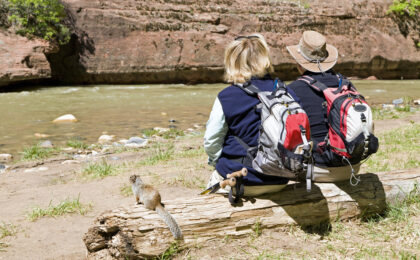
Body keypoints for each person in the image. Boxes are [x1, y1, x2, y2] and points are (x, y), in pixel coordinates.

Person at [203, 34, 288, 196]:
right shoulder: (284, 91)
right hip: (281, 179)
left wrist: (216, 162)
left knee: (212, 184)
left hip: (241, 179)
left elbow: (211, 141)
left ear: (232, 61)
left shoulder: (226, 96)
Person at [286, 30, 362, 181]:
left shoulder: (293, 90)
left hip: (318, 169)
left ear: (300, 63)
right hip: (353, 165)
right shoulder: (345, 84)